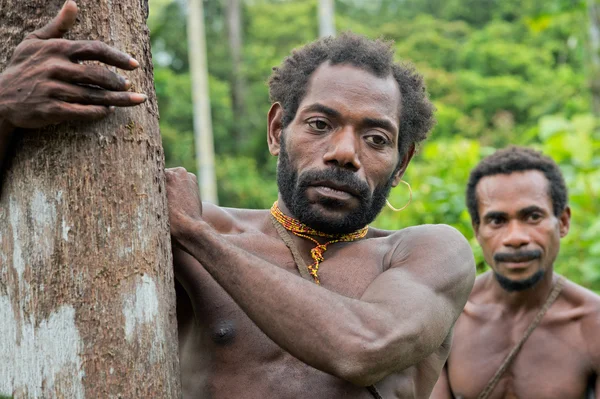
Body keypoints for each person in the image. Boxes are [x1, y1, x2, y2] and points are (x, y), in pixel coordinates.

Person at [0, 2, 476, 398]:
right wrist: (4, 109)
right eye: (319, 124)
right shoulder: (193, 229)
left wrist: (196, 235)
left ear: (402, 162)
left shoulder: (428, 252)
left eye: (375, 138)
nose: (344, 153)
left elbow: (363, 347)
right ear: (276, 130)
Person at [431, 146, 600, 399]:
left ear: (563, 222)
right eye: (497, 221)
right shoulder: (448, 317)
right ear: (477, 230)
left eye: (532, 217)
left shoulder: (592, 324)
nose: (515, 238)